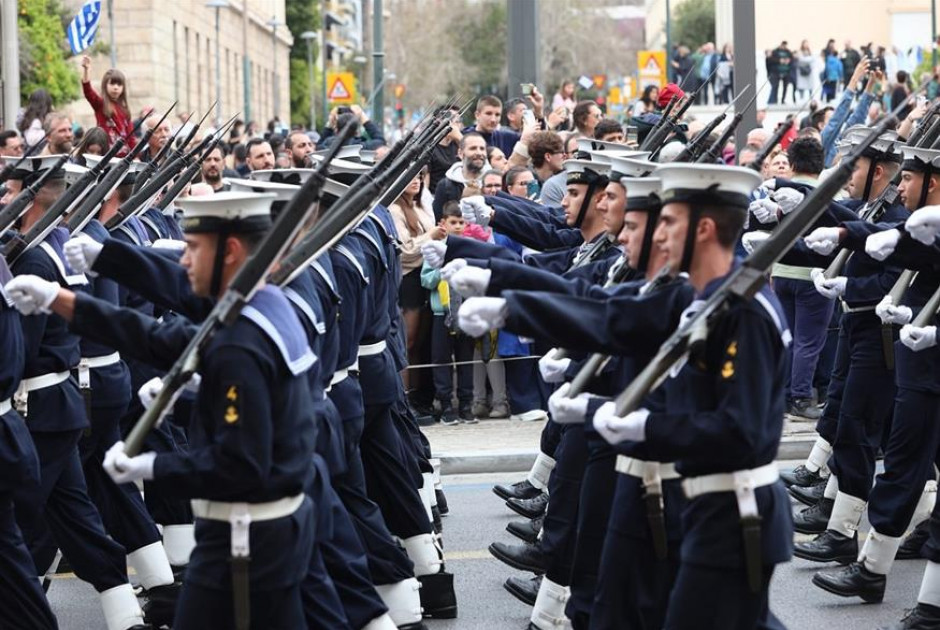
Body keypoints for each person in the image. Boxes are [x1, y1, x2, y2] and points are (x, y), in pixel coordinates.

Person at [421, 202, 476, 425]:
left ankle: (466, 405)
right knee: (441, 359)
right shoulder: (434, 248)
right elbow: (426, 280)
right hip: (441, 313)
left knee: (466, 360)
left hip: (466, 311)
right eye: (453, 222)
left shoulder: (472, 247)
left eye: (461, 223)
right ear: (442, 224)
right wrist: (441, 270)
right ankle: (445, 405)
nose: (458, 226)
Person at [389, 171, 439, 398]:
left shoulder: (421, 206)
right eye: (410, 176)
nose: (415, 180)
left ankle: (421, 395)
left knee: (421, 342)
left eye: (419, 176)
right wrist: (431, 236)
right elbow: (404, 249)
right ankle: (405, 395)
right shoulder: (395, 210)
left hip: (427, 277)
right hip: (408, 280)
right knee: (408, 341)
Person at [80, 55, 137, 155]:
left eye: (119, 85)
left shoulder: (125, 110)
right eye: (112, 84)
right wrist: (86, 70)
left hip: (123, 157)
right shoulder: (100, 104)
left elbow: (131, 136)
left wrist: (135, 156)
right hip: (105, 155)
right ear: (105, 85)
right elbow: (88, 91)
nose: (115, 87)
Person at [432, 132, 487, 221]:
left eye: (482, 149)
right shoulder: (445, 186)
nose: (479, 152)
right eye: (473, 148)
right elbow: (438, 221)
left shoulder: (492, 181)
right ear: (461, 153)